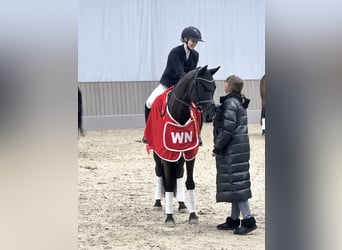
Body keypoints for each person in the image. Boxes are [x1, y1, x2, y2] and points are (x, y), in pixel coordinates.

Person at [142, 26, 203, 144]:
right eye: (192, 40)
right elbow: (180, 73)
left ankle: (197, 136)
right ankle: (148, 134)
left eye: (196, 42)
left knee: (198, 106)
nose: (194, 43)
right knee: (149, 103)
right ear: (185, 39)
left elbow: (192, 72)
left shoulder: (195, 55)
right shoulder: (175, 52)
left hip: (184, 87)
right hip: (168, 83)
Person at [212, 75, 257, 235]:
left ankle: (248, 220)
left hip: (232, 149)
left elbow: (227, 129)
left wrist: (217, 147)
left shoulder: (230, 103)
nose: (223, 84)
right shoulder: (237, 101)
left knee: (237, 185)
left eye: (225, 82)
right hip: (239, 148)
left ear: (229, 86)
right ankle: (233, 219)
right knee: (235, 183)